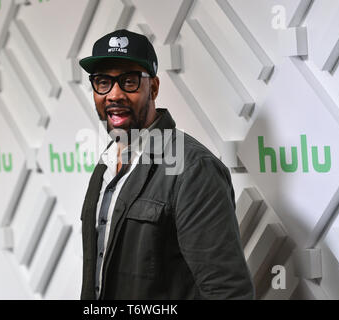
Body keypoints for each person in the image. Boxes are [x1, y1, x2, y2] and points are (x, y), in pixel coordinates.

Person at [78, 29, 255, 300]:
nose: (113, 94)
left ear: (155, 87)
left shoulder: (193, 169)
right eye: (103, 82)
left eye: (129, 81)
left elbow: (227, 292)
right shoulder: (105, 164)